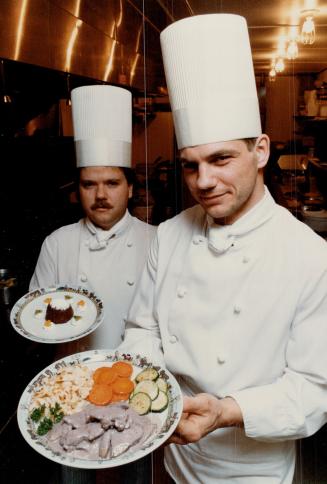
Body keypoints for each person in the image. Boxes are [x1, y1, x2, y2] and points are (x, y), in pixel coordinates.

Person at [118, 14, 327, 483]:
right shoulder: (169, 235)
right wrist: (151, 393)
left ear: (261, 150)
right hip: (174, 455)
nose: (204, 182)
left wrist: (227, 411)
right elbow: (141, 328)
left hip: (253, 467)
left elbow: (315, 389)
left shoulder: (310, 257)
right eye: (190, 165)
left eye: (221, 159)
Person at [30, 84, 156, 352]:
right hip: (72, 379)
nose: (100, 195)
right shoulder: (57, 244)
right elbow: (37, 317)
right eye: (89, 185)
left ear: (130, 188)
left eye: (112, 183)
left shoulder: (157, 240)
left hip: (135, 373)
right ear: (78, 190)